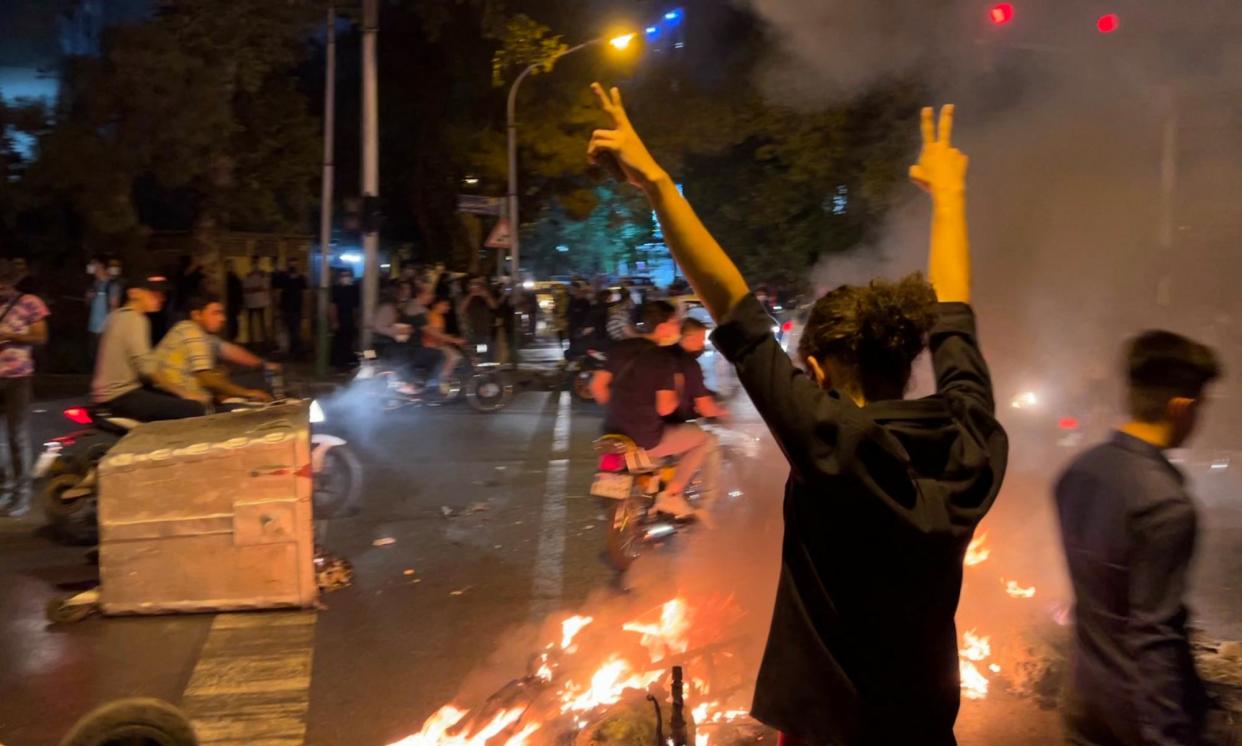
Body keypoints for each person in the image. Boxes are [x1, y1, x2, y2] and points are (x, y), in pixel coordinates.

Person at [587, 85, 1008, 744]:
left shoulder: (830, 441)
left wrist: (659, 184)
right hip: (927, 729)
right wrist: (951, 198)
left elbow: (732, 307)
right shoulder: (970, 438)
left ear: (815, 372)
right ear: (907, 357)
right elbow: (957, 316)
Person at [1055, 332, 1222, 746]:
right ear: (1180, 407)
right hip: (1137, 721)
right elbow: (1154, 637)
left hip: (1082, 701)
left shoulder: (1078, 473)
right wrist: (1170, 735)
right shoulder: (1165, 505)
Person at [590, 300, 716, 519]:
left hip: (612, 431)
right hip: (646, 437)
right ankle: (672, 495)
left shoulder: (620, 348)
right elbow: (666, 408)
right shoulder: (662, 358)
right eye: (675, 322)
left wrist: (622, 406)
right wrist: (678, 391)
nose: (678, 327)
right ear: (662, 328)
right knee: (703, 439)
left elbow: (597, 387)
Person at [91, 274, 207, 422]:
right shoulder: (135, 319)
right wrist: (183, 392)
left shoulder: (115, 316)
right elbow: (147, 368)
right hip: (121, 396)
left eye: (161, 294)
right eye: (153, 293)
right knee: (195, 408)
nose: (160, 298)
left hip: (109, 395)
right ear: (133, 293)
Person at [153, 293, 274, 406]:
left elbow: (228, 351)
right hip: (179, 399)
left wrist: (262, 364)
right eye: (216, 313)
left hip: (177, 395)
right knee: (257, 387)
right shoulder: (192, 333)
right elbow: (207, 380)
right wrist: (248, 393)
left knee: (230, 377)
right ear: (197, 315)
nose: (223, 318)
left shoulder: (188, 329)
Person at [0, 260, 49, 518]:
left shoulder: (30, 302)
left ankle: (23, 494)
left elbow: (40, 336)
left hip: (18, 376)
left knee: (17, 436)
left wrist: (10, 337)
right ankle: (6, 491)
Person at [667, 317, 728, 423]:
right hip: (676, 423)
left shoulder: (663, 354)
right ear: (689, 338)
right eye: (701, 339)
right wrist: (723, 412)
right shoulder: (689, 363)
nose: (702, 345)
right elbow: (706, 409)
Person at [86, 256, 122, 362]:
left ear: (102, 267)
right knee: (95, 359)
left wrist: (110, 328)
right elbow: (87, 304)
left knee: (105, 359)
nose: (93, 269)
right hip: (93, 327)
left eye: (95, 266)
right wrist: (88, 297)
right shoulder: (94, 284)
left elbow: (114, 306)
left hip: (105, 329)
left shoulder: (112, 285)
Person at [276, 257, 307, 357]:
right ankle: (289, 349)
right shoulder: (284, 277)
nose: (293, 265)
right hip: (286, 307)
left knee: (295, 330)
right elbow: (279, 290)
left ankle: (294, 350)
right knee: (287, 329)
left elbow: (304, 291)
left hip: (295, 308)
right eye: (291, 263)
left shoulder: (300, 277)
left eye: (294, 263)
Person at [330, 268, 360, 370]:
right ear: (339, 278)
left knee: (348, 341)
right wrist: (334, 321)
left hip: (349, 318)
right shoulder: (336, 289)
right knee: (339, 341)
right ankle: (338, 363)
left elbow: (356, 307)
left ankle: (346, 362)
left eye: (347, 275)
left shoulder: (354, 289)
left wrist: (356, 320)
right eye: (343, 276)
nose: (346, 278)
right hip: (340, 317)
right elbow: (333, 306)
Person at [243, 256, 271, 349]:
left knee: (259, 322)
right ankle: (256, 341)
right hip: (254, 301)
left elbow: (264, 287)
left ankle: (261, 341)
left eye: (255, 262)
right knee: (256, 322)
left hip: (256, 301)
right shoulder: (251, 275)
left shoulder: (260, 274)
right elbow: (247, 288)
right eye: (254, 262)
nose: (255, 264)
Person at [224, 258, 244, 340]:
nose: (230, 267)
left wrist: (240, 303)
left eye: (231, 266)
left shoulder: (234, 278)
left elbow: (239, 291)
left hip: (233, 304)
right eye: (229, 266)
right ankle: (231, 337)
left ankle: (233, 338)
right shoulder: (227, 278)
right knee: (230, 321)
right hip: (229, 303)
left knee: (233, 322)